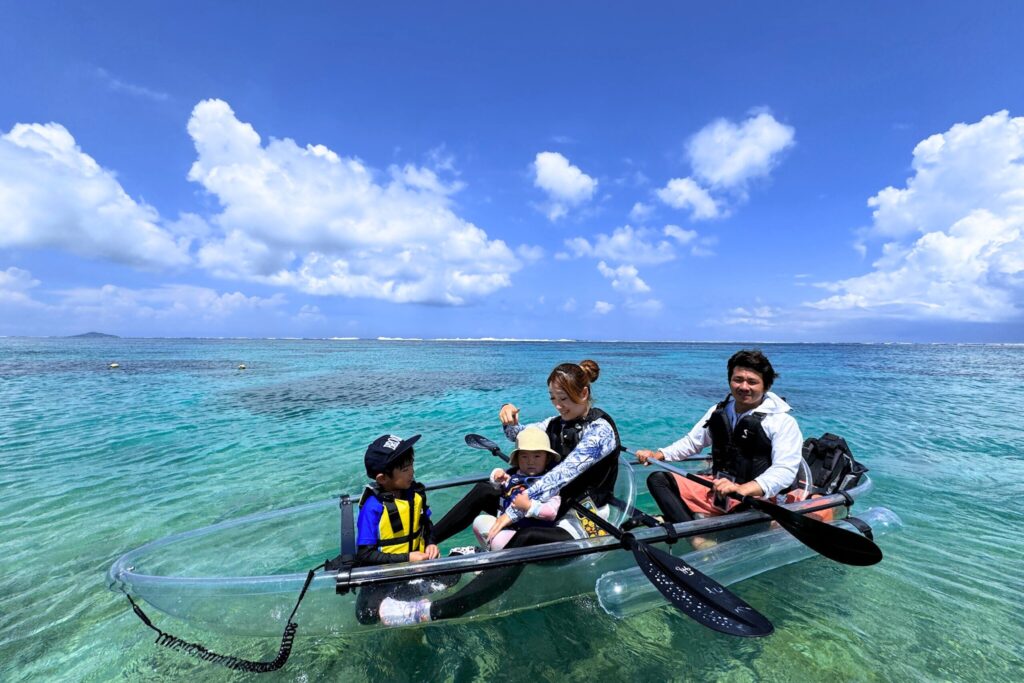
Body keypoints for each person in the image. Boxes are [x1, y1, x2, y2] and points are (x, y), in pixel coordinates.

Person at [377, 360, 621, 626]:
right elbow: (523, 438)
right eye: (553, 398)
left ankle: (434, 611)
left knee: (527, 536)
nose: (558, 405)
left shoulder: (600, 431)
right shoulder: (557, 423)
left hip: (585, 520)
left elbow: (558, 477)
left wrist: (512, 513)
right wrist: (507, 417)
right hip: (550, 507)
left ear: (584, 394)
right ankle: (421, 549)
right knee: (485, 490)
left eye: (564, 398)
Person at [636, 350, 803, 534]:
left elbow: (785, 470)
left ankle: (689, 522)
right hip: (719, 488)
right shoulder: (719, 411)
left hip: (756, 497)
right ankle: (696, 539)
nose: (744, 386)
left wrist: (744, 488)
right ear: (730, 380)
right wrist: (658, 454)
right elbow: (693, 442)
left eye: (752, 382)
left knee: (747, 514)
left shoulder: (782, 422)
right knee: (658, 479)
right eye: (738, 379)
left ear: (766, 386)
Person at [353, 433, 441, 624]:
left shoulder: (415, 494)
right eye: (405, 469)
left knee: (450, 577)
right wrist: (407, 558)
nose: (412, 472)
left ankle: (412, 605)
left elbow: (425, 525)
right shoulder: (373, 507)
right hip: (386, 576)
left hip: (414, 567)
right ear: (382, 478)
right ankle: (410, 607)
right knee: (366, 616)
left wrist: (430, 543)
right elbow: (365, 555)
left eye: (411, 465)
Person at [473, 427, 562, 550]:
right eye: (524, 457)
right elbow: (503, 488)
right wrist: (497, 477)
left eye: (537, 456)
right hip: (508, 527)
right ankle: (487, 553)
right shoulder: (516, 476)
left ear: (547, 458)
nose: (530, 462)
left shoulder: (550, 483)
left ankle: (495, 557)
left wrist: (528, 506)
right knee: (479, 521)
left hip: (529, 537)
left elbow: (551, 512)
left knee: (498, 539)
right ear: (518, 459)